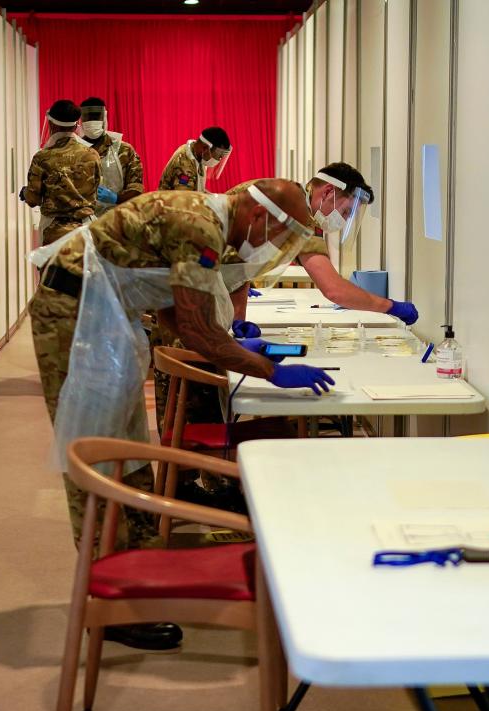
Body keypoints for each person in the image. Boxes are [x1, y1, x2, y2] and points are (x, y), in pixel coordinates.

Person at [29, 179, 327, 651]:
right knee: (95, 456)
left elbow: (169, 301)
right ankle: (110, 602)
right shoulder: (200, 225)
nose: (271, 247)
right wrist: (267, 369)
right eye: (277, 235)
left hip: (104, 310)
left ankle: (141, 574)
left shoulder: (206, 219)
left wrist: (226, 344)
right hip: (74, 315)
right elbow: (192, 324)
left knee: (127, 448)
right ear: (259, 216)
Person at [227, 162, 420, 325]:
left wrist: (238, 320)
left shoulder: (286, 198)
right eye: (345, 212)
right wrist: (391, 306)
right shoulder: (298, 214)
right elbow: (334, 290)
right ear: (328, 192)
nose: (343, 221)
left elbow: (240, 262)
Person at [20, 99, 101, 246]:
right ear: (76, 125)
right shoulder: (92, 154)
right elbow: (95, 187)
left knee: (52, 268)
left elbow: (33, 200)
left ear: (52, 124)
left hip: (53, 232)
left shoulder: (43, 157)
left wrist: (25, 192)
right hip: (84, 231)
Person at [78, 97, 144, 215]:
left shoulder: (123, 150)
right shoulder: (74, 151)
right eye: (88, 117)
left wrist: (116, 198)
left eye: (96, 116)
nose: (92, 121)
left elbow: (137, 189)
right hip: (82, 222)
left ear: (104, 118)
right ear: (81, 120)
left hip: (116, 220)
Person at [157, 126, 231, 193]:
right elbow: (184, 199)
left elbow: (197, 190)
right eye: (218, 155)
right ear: (205, 148)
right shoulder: (185, 163)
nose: (219, 159)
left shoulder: (199, 156)